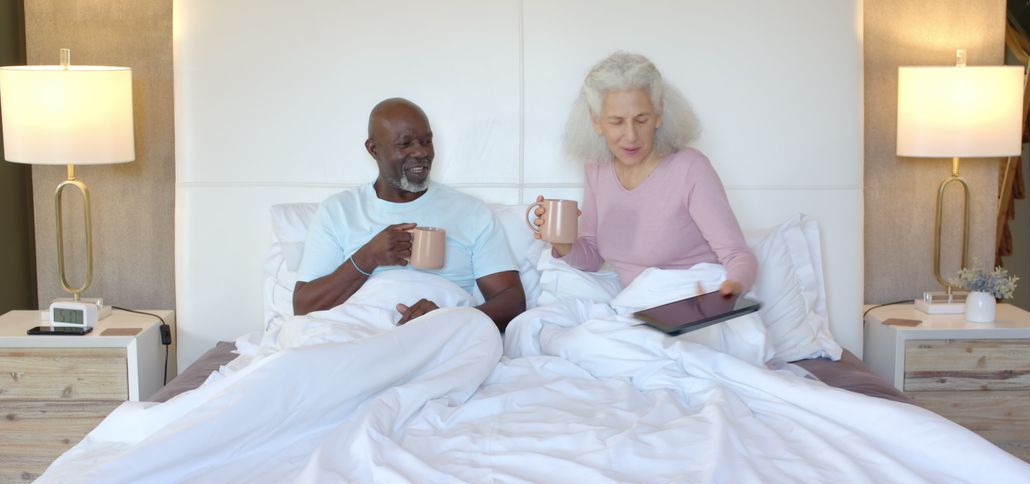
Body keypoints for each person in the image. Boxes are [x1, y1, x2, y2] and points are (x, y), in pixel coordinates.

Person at [534, 52, 756, 296]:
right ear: (596, 121)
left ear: (658, 114)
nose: (631, 136)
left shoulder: (690, 168)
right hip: (635, 305)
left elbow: (738, 256)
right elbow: (592, 255)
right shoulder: (597, 168)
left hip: (692, 301)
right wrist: (561, 243)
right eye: (617, 122)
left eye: (641, 120)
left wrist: (728, 293)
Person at [293, 97, 525, 331]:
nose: (420, 152)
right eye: (405, 144)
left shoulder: (471, 212)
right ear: (374, 149)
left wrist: (447, 319)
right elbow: (303, 307)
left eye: (426, 141)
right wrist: (367, 257)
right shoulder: (339, 211)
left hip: (443, 337)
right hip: (361, 333)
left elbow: (512, 301)